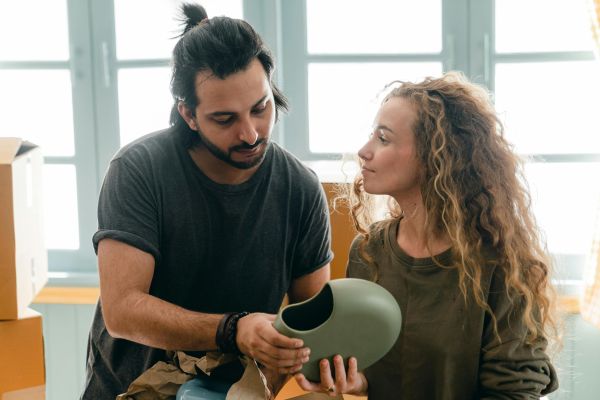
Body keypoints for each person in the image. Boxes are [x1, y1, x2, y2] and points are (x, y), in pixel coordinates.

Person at [81, 4, 332, 399]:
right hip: (128, 389)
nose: (250, 134)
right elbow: (123, 310)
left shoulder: (300, 187)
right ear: (188, 114)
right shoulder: (138, 170)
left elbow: (315, 324)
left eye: (260, 108)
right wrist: (234, 330)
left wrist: (332, 366)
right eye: (225, 119)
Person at [295, 72, 559, 399]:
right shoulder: (368, 251)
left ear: (436, 157)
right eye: (371, 135)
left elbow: (513, 392)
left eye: (384, 138)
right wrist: (357, 381)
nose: (364, 151)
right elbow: (377, 371)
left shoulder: (504, 266)